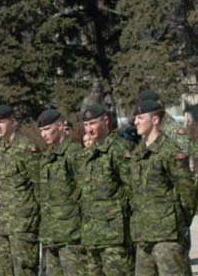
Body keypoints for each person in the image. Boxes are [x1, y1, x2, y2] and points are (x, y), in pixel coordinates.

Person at [128, 100, 196, 276]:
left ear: (155, 120)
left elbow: (187, 192)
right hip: (143, 236)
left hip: (167, 236)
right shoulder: (137, 154)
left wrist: (179, 222)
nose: (136, 122)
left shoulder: (170, 151)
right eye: (136, 118)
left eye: (141, 118)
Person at [79, 103, 134, 275]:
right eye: (86, 125)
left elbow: (133, 189)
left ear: (106, 121)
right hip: (91, 235)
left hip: (114, 238)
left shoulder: (118, 149)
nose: (89, 130)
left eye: (93, 124)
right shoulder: (89, 154)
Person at [0, 105, 40, 276]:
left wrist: (35, 219)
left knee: (24, 271)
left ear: (13, 122)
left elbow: (39, 185)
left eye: (2, 122)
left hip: (23, 225)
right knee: (3, 271)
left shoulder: (26, 148)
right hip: (3, 224)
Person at [36, 109, 85, 276]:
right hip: (50, 233)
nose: (44, 134)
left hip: (70, 234)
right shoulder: (46, 156)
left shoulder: (74, 153)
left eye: (47, 129)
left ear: (59, 126)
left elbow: (84, 190)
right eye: (41, 130)